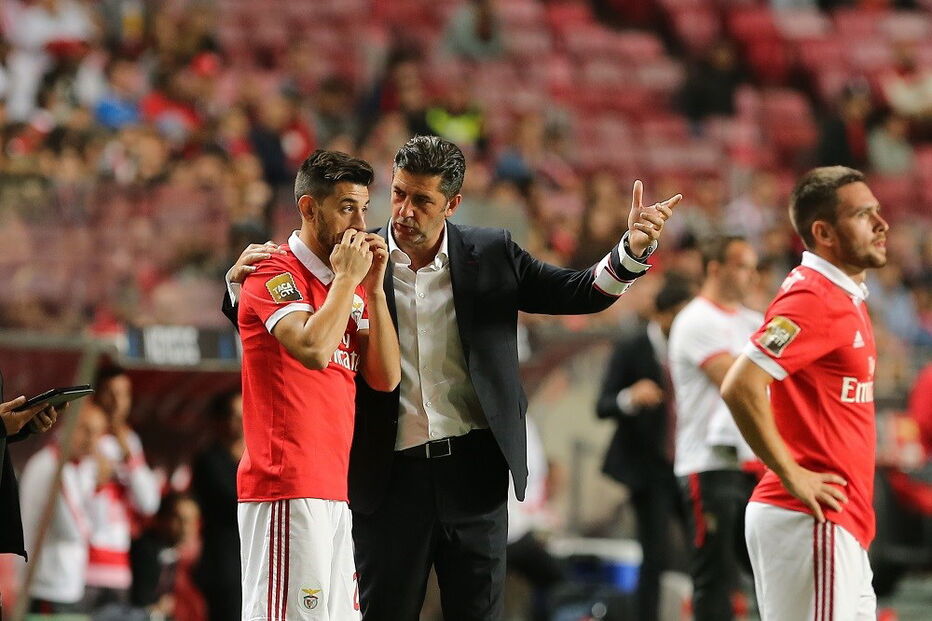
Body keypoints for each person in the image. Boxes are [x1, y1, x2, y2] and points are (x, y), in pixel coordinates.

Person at [226, 135, 680, 620]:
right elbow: (291, 325)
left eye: (422, 200)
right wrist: (236, 293)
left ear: (452, 203)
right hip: (387, 477)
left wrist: (631, 250)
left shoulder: (491, 254)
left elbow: (579, 292)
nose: (404, 211)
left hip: (474, 473)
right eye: (399, 193)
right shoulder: (358, 258)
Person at [235, 149, 400, 621]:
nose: (360, 223)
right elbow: (312, 349)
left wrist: (371, 289)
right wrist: (348, 281)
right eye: (347, 206)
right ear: (309, 207)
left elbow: (385, 378)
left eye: (365, 209)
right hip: (285, 486)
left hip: (333, 491)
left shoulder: (343, 285)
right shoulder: (272, 271)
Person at [722, 166, 889, 619]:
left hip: (838, 521)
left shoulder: (840, 294)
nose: (882, 224)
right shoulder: (814, 298)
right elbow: (741, 385)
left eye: (877, 211)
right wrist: (794, 476)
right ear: (824, 232)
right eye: (862, 214)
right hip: (810, 518)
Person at [667, 236, 763, 620]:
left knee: (763, 568)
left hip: (752, 461)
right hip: (708, 463)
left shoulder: (755, 322)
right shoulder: (695, 320)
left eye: (754, 267)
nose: (751, 275)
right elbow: (737, 383)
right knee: (715, 575)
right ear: (715, 268)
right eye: (742, 265)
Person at [595, 274, 694, 621]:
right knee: (655, 557)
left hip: (688, 464)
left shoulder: (695, 351)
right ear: (662, 316)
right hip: (648, 469)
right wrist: (630, 397)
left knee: (705, 551)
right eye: (681, 316)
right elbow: (603, 405)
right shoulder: (632, 349)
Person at [84, 364, 160, 609]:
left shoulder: (131, 442)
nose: (117, 401)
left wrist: (131, 459)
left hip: (119, 568)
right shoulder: (81, 439)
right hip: (83, 568)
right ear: (95, 395)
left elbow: (149, 504)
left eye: (124, 393)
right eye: (110, 392)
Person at [19, 402, 108, 613]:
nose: (92, 440)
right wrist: (99, 487)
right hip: (47, 586)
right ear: (67, 426)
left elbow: (100, 529)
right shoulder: (53, 466)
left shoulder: (78, 468)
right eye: (86, 430)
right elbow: (75, 531)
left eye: (98, 432)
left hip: (65, 585)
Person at [191, 390, 243, 621]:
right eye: (234, 415)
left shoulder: (259, 457)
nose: (242, 422)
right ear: (220, 421)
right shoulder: (209, 460)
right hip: (223, 565)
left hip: (253, 561)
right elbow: (234, 503)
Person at [129, 492, 201, 617]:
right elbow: (141, 602)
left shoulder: (176, 555)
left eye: (191, 521)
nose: (186, 528)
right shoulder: (144, 550)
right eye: (180, 520)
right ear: (163, 518)